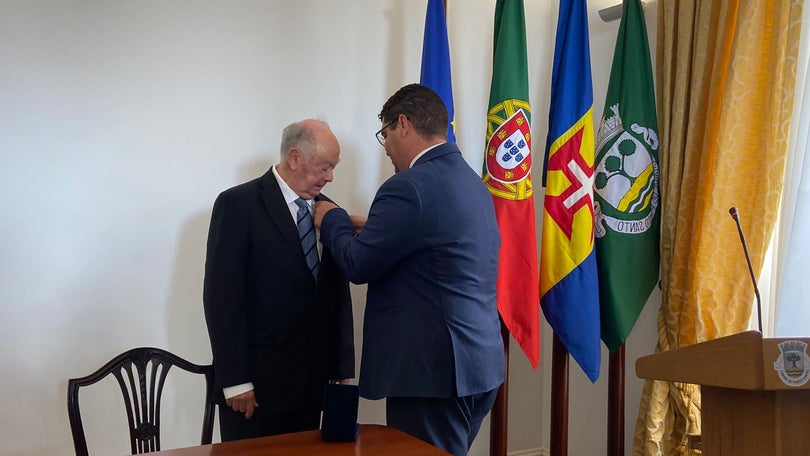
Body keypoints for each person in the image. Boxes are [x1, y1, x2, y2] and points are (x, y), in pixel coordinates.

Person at [313, 84, 505, 456]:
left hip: (431, 375)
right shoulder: (471, 182)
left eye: (383, 134)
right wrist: (374, 228)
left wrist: (333, 218)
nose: (384, 147)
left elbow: (358, 264)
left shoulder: (408, 186)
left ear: (402, 124)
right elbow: (439, 247)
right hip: (478, 366)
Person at [203, 119, 354, 441]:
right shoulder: (238, 205)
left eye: (333, 168)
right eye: (324, 167)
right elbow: (222, 299)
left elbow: (337, 295)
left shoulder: (330, 212)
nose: (330, 177)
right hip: (255, 389)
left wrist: (341, 367)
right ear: (295, 157)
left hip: (312, 386)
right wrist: (236, 380)